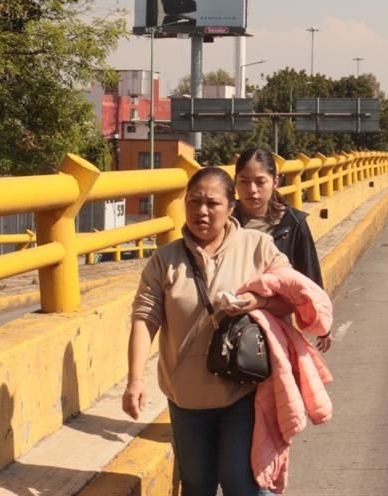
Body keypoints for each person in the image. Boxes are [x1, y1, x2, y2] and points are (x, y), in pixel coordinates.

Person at [122, 166, 296, 496]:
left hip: (242, 393)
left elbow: (290, 297)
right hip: (187, 399)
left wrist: (256, 301)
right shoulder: (165, 260)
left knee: (240, 483)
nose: (201, 211)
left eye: (212, 203)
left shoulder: (257, 246)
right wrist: (135, 380)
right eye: (193, 202)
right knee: (197, 486)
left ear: (231, 207)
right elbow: (145, 318)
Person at [232, 148, 332, 353]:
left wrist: (322, 325)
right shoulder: (225, 221)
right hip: (231, 318)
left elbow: (308, 277)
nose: (252, 190)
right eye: (244, 181)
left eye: (260, 182)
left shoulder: (293, 223)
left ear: (275, 182)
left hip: (277, 321)